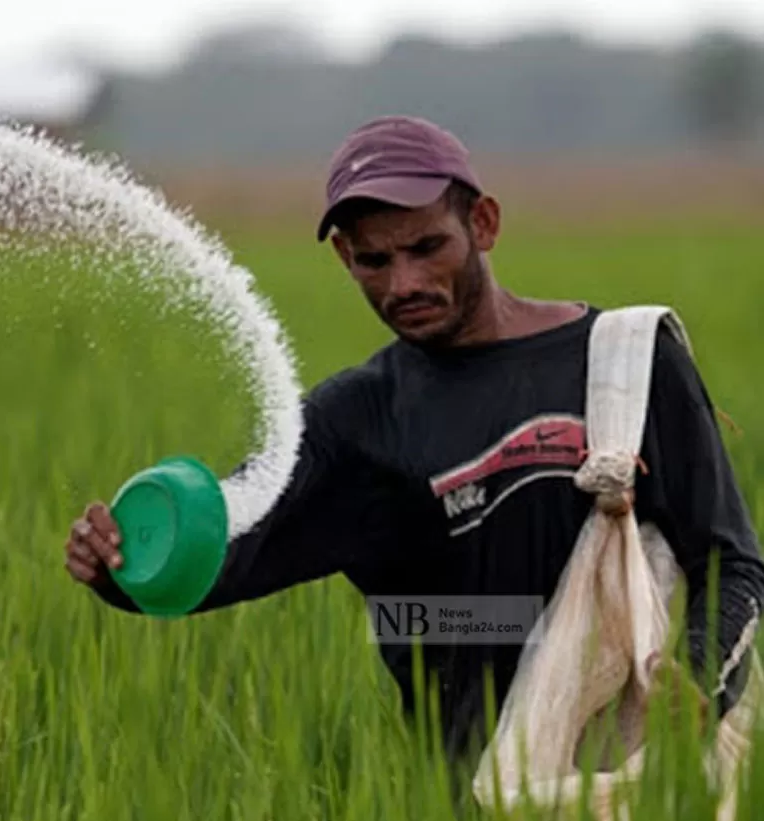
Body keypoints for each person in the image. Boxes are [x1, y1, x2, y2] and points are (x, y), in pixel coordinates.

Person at [64, 114, 764, 761]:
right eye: (374, 261)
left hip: (638, 783)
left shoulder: (625, 362)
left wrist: (699, 686)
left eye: (429, 247)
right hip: (475, 815)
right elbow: (225, 550)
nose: (404, 284)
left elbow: (730, 562)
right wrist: (120, 567)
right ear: (344, 256)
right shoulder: (355, 422)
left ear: (483, 224)